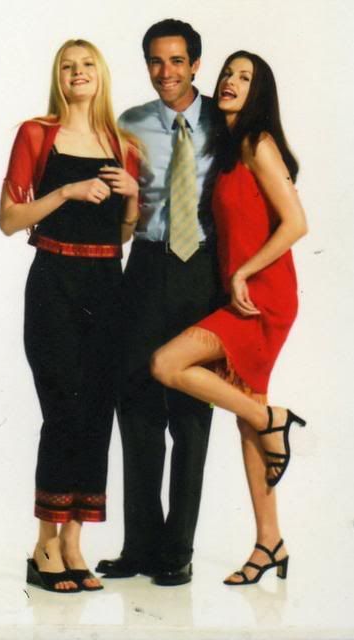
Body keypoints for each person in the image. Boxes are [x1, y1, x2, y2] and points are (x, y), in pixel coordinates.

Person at [150, 51, 308, 585]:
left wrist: (244, 273)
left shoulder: (259, 144)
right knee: (246, 418)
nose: (231, 82)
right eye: (227, 74)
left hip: (263, 295)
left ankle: (272, 419)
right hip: (239, 294)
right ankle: (270, 541)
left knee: (168, 364)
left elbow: (296, 223)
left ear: (259, 92)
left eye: (245, 77)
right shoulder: (226, 146)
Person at [0, 38, 139, 593]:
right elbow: (9, 219)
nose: (78, 72)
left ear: (101, 74)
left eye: (86, 65)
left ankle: (74, 542)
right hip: (54, 281)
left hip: (108, 283)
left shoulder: (124, 145)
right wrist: (66, 192)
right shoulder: (37, 133)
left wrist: (133, 196)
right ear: (58, 77)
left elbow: (123, 234)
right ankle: (44, 544)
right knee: (62, 408)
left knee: (97, 410)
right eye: (67, 66)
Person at [95, 19, 222, 587]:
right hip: (145, 268)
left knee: (191, 415)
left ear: (196, 64)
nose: (165, 72)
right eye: (155, 60)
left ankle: (178, 550)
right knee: (137, 407)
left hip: (204, 272)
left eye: (176, 61)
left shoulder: (225, 121)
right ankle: (140, 546)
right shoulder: (130, 124)